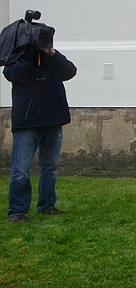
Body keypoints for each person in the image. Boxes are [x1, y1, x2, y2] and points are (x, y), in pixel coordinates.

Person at [5, 27, 77, 223]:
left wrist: (51, 53)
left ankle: (47, 205)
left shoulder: (51, 58)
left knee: (51, 166)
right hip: (27, 123)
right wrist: (28, 53)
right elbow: (11, 74)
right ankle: (17, 211)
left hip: (53, 121)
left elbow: (70, 71)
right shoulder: (19, 57)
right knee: (20, 170)